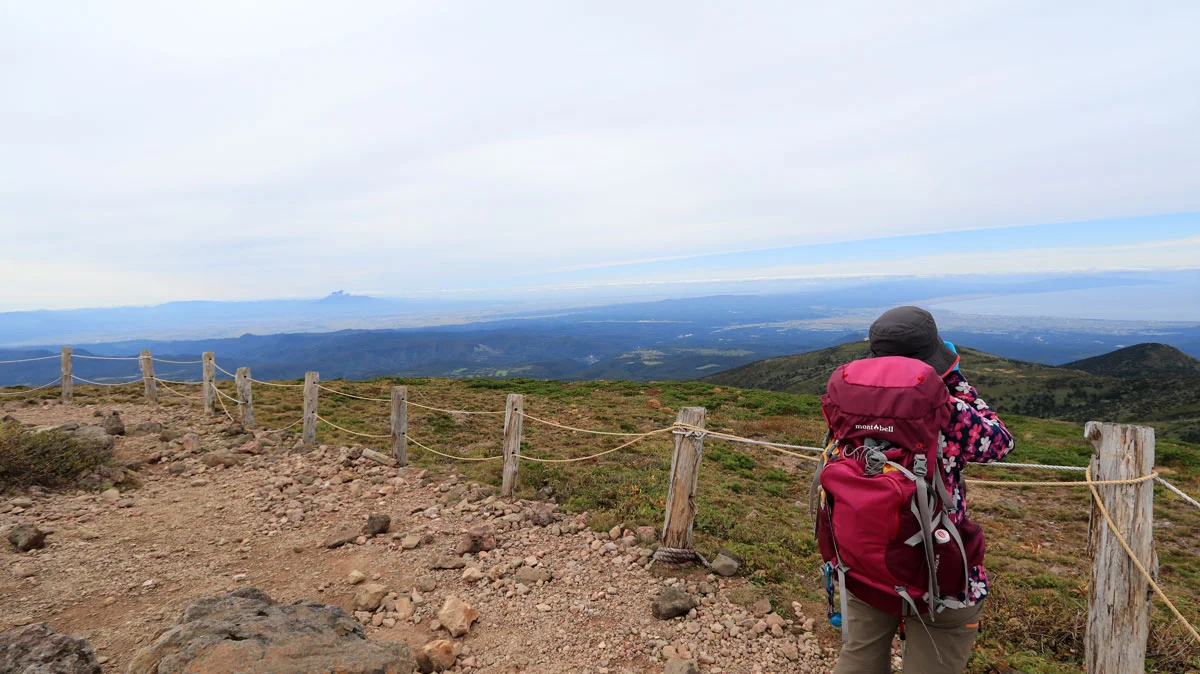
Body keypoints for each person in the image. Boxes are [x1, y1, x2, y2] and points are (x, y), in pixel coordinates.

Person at [829, 306, 1015, 674]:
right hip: (937, 570)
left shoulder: (846, 402)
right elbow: (1000, 443)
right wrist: (953, 380)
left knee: (859, 657)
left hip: (864, 559)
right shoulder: (947, 408)